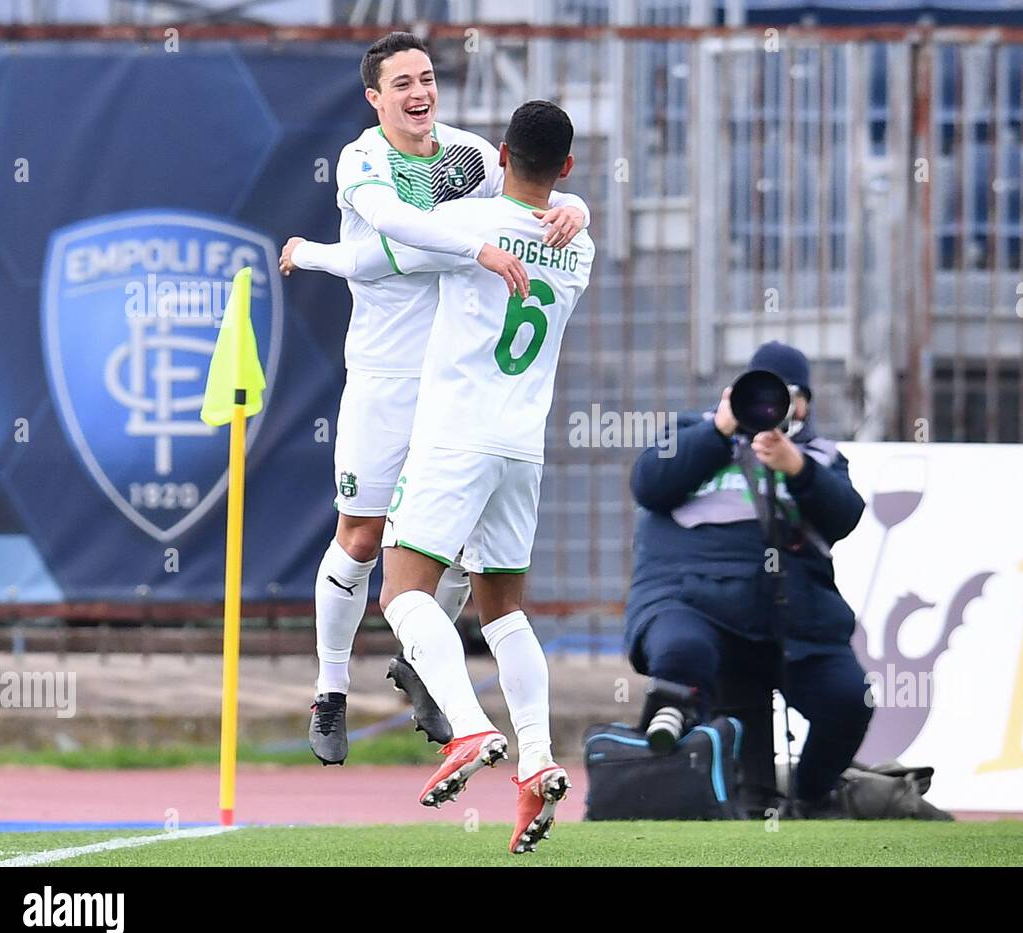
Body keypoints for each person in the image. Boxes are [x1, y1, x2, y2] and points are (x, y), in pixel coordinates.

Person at [283, 100, 594, 854]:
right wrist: (576, 207)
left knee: (401, 592)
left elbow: (378, 252)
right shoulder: (578, 246)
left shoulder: (472, 228)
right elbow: (563, 209)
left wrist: (307, 252)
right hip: (525, 448)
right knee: (505, 613)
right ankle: (539, 759)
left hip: (457, 437)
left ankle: (470, 729)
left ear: (499, 154)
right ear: (567, 167)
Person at [624, 342, 873, 817]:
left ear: (805, 405)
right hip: (693, 603)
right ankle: (665, 739)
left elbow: (844, 517)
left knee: (849, 698)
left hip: (791, 622)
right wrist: (719, 430)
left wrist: (795, 467)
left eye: (787, 395)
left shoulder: (819, 455)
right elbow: (649, 485)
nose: (770, 406)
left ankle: (807, 797)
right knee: (682, 650)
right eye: (757, 393)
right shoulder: (690, 431)